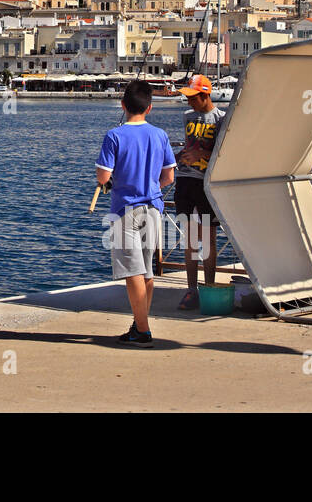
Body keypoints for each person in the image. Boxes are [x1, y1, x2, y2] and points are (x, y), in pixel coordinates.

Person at [95, 80, 176, 347]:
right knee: (146, 271)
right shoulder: (160, 135)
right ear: (149, 107)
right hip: (153, 209)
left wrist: (111, 183)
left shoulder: (114, 136)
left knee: (132, 272)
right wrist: (149, 184)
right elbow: (168, 177)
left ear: (123, 105)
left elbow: (103, 175)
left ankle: (142, 330)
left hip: (124, 209)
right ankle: (139, 324)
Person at [173, 74, 226, 310]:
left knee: (209, 239)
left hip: (206, 183)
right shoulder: (187, 117)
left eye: (193, 98)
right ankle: (191, 289)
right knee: (191, 238)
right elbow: (189, 144)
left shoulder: (221, 119)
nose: (189, 103)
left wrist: (201, 156)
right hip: (186, 180)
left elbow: (224, 151)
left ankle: (210, 286)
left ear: (205, 96)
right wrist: (181, 157)